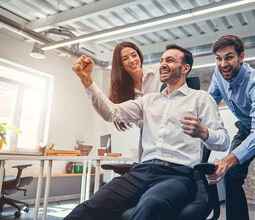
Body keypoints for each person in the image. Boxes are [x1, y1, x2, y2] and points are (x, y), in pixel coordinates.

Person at [65, 44, 230, 220]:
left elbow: (224, 140)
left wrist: (203, 132)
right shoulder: (148, 101)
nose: (163, 64)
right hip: (140, 172)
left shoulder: (201, 98)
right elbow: (111, 112)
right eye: (161, 60)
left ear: (185, 68)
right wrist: (87, 80)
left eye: (170, 60)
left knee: (150, 203)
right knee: (92, 206)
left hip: (177, 175)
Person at [207, 35, 255, 220]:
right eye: (219, 58)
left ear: (241, 57)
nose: (223, 63)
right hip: (245, 128)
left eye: (229, 57)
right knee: (231, 176)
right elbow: (209, 103)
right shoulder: (218, 74)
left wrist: (227, 160)